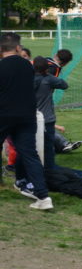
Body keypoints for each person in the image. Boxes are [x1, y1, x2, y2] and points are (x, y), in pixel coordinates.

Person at [1, 32, 52, 210]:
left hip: (5, 114)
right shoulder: (28, 66)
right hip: (27, 115)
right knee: (30, 154)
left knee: (28, 154)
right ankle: (43, 196)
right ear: (17, 47)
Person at [34, 56, 69, 169]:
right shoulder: (49, 79)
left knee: (32, 145)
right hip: (47, 118)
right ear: (46, 69)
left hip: (31, 117)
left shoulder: (26, 78)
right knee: (48, 146)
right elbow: (64, 85)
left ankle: (36, 167)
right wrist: (48, 75)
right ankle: (49, 169)